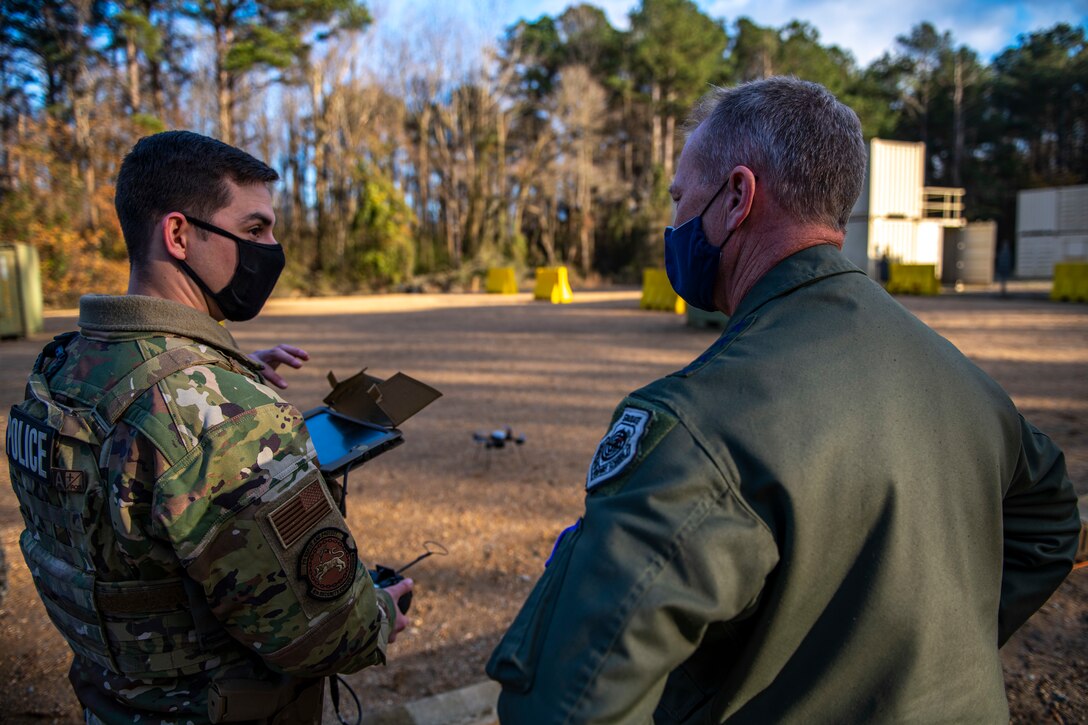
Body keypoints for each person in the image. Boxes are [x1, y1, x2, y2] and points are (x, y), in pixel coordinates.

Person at [487, 78, 1080, 723]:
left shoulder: (697, 424)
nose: (673, 224)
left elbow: (568, 704)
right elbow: (1049, 525)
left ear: (737, 197)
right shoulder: (965, 380)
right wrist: (923, 654)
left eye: (680, 198)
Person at [6, 130, 413, 723]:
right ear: (177, 235)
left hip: (112, 699)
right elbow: (325, 633)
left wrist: (226, 370)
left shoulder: (65, 368)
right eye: (253, 230)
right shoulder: (220, 417)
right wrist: (379, 611)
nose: (273, 248)